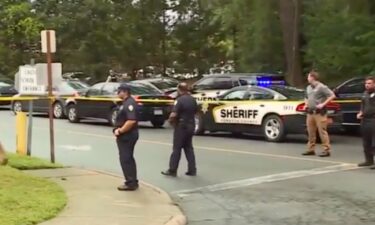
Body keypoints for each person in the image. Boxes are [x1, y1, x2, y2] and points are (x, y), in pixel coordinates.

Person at [162, 83, 198, 177]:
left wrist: (170, 121)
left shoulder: (179, 100)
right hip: (191, 125)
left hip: (181, 126)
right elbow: (196, 111)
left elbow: (174, 114)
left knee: (177, 148)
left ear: (179, 90)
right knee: (189, 148)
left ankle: (172, 170)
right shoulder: (192, 99)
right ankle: (192, 169)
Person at [302, 71, 335, 157]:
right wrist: (306, 104)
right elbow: (306, 97)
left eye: (309, 77)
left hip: (320, 113)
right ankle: (311, 149)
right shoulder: (308, 87)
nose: (307, 78)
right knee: (310, 132)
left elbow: (332, 95)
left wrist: (323, 104)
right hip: (310, 112)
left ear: (313, 77)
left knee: (322, 131)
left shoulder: (322, 87)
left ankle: (326, 150)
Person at [113, 83, 139, 191]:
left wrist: (120, 130)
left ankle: (130, 183)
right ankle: (133, 180)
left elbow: (131, 120)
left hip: (127, 135)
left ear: (125, 92)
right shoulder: (125, 102)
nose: (117, 93)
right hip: (127, 135)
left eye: (119, 91)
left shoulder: (129, 103)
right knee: (128, 158)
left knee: (125, 158)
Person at [357, 76, 375, 169]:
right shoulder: (364, 94)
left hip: (373, 120)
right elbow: (362, 106)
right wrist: (360, 113)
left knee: (374, 142)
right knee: (366, 141)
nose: (367, 85)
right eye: (366, 83)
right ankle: (368, 160)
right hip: (365, 120)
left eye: (369, 83)